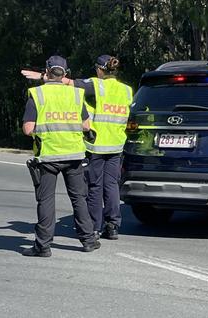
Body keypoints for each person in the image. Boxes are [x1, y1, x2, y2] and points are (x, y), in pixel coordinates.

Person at [23, 55, 132, 240]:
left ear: (99, 69)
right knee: (112, 185)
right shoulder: (126, 90)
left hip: (96, 144)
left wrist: (43, 77)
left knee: (95, 186)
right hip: (117, 144)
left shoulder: (95, 85)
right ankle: (113, 226)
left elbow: (67, 82)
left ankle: (95, 227)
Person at [21, 55, 100, 257]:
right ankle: (88, 240)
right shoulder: (74, 94)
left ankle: (43, 246)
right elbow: (86, 125)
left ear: (46, 72)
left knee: (46, 200)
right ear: (65, 74)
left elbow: (28, 129)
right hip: (73, 154)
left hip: (48, 156)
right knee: (78, 199)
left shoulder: (37, 94)